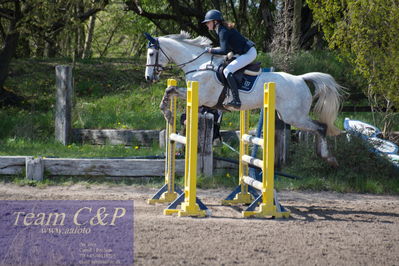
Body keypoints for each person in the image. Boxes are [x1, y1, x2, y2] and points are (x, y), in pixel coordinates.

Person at [202, 9, 257, 109]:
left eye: (208, 22)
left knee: (227, 70)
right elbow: (227, 48)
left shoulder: (222, 31)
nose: (206, 24)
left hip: (249, 53)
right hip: (241, 52)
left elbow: (223, 50)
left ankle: (236, 100)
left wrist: (210, 50)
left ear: (215, 22)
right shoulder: (220, 29)